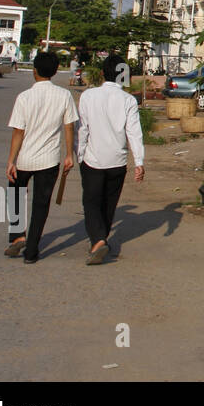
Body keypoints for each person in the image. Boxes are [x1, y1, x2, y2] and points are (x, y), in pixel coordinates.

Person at [5, 52, 78, 264]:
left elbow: (18, 132)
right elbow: (69, 126)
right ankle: (31, 252)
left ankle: (18, 236)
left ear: (34, 71)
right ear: (55, 72)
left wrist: (11, 160)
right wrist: (69, 155)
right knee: (41, 205)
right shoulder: (64, 96)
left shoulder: (24, 97)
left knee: (16, 197)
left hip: (24, 160)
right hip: (49, 161)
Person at [75, 54, 145, 265]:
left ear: (103, 73)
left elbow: (83, 129)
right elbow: (134, 132)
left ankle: (98, 241)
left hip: (93, 160)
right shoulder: (128, 100)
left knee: (91, 202)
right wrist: (139, 161)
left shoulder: (88, 96)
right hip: (118, 161)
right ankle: (101, 240)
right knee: (109, 203)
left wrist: (79, 154)